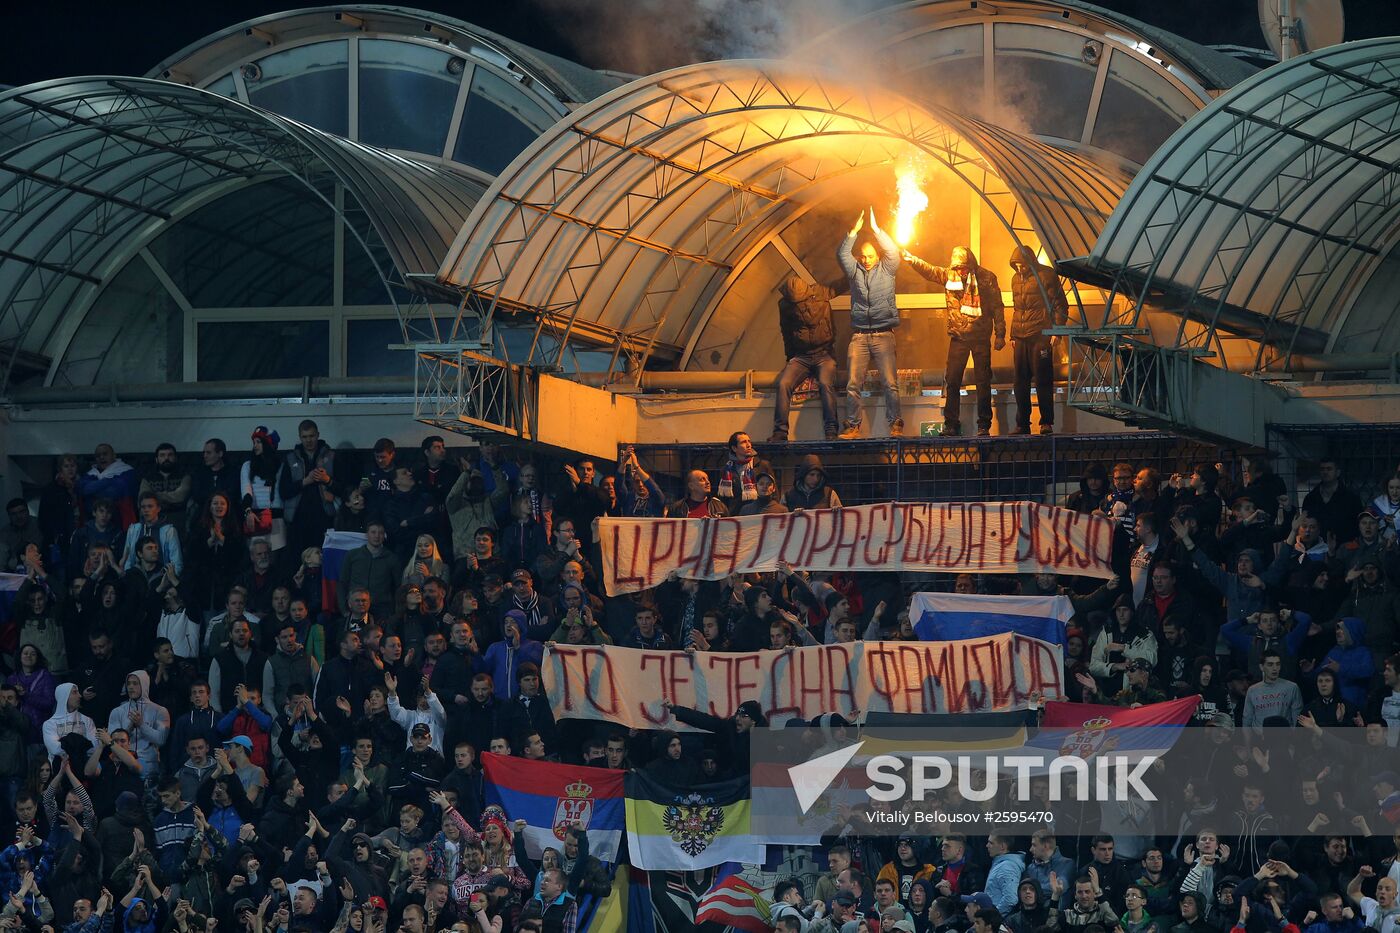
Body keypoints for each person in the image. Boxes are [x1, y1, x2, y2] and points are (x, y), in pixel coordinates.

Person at [903, 245, 1005, 436]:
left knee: (983, 381)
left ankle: (984, 425)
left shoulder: (986, 278)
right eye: (958, 268)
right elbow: (930, 271)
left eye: (964, 268)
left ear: (972, 264)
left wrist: (1000, 334)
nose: (961, 272)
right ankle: (951, 425)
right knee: (952, 380)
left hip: (981, 337)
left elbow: (997, 306)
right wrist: (912, 260)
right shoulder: (950, 276)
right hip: (959, 337)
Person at [837, 208, 903, 439]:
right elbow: (842, 254)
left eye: (870, 256)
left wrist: (876, 230)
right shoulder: (854, 271)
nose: (865, 260)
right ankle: (852, 426)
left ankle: (896, 424)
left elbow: (893, 251)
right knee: (853, 384)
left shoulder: (887, 269)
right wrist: (853, 232)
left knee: (890, 383)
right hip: (860, 336)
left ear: (877, 256)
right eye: (862, 256)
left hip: (884, 334)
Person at [772, 275, 844, 442]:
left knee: (825, 384)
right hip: (802, 356)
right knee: (784, 384)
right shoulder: (786, 305)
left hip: (823, 354)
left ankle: (831, 430)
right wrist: (791, 358)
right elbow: (786, 331)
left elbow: (786, 334)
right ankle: (780, 432)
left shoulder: (817, 294)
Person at [1007, 245, 1069, 434]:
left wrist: (1056, 331)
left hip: (1041, 335)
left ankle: (1046, 423)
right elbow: (1017, 308)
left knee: (1043, 380)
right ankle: (1022, 424)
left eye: (1022, 265)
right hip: (1020, 336)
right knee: (1020, 382)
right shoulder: (1015, 279)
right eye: (1016, 266)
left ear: (1030, 262)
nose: (1019, 269)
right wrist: (1012, 334)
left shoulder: (1046, 275)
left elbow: (1060, 304)